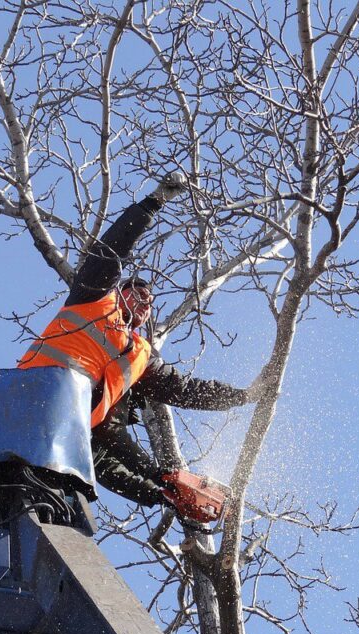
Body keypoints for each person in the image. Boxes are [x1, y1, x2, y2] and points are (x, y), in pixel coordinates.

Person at [18, 173, 264, 509]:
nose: (146, 302)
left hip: (57, 435)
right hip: (29, 396)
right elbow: (112, 249)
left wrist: (243, 396)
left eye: (151, 301)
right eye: (139, 293)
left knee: (69, 494)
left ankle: (168, 486)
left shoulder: (136, 360)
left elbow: (182, 392)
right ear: (120, 292)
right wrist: (153, 203)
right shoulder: (93, 299)